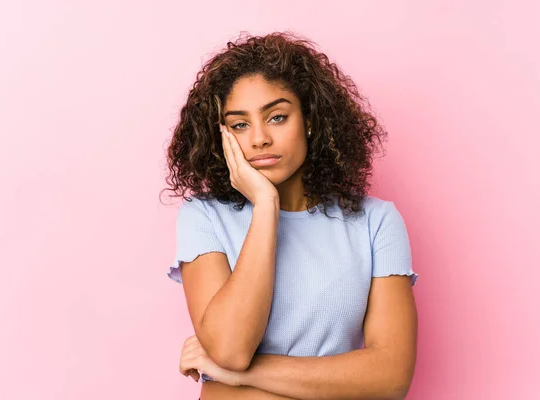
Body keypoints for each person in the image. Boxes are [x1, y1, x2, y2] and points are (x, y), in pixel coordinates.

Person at [163, 31, 419, 400]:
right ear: (222, 137)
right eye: (239, 125)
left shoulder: (375, 222)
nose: (259, 139)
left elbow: (390, 377)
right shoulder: (204, 217)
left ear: (310, 120)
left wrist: (239, 375)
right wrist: (266, 205)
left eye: (277, 117)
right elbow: (231, 348)